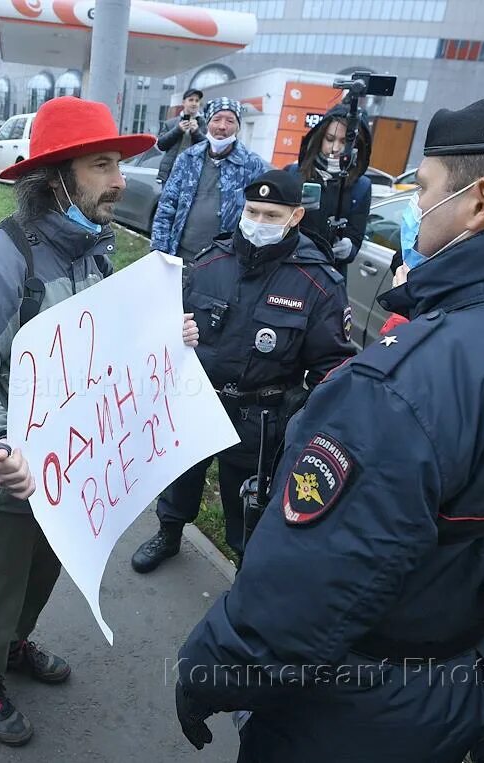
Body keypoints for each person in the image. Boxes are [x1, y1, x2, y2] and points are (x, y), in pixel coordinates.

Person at [173, 90, 484, 762]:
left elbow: (303, 595)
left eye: (428, 188)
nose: (417, 203)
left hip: (351, 701)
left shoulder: (411, 380)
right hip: (464, 675)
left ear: (479, 199)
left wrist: (209, 671)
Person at [0, 96, 157, 747]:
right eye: (104, 164)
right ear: (56, 178)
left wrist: (164, 338)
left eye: (120, 164)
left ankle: (13, 646)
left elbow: (95, 351)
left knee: (38, 583)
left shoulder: (94, 251)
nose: (120, 180)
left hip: (63, 483)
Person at [131, 170, 353, 572]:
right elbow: (168, 320)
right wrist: (172, 331)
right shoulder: (209, 261)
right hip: (198, 400)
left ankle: (244, 564)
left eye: (271, 215)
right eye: (253, 211)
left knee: (246, 500)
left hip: (259, 416)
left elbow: (332, 367)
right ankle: (169, 531)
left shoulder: (317, 283)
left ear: (295, 216)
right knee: (180, 476)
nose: (259, 223)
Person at [152, 97, 270, 261]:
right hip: (182, 256)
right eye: (217, 119)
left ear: (238, 127)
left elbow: (262, 216)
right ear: (207, 123)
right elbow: (166, 207)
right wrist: (159, 251)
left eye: (230, 121)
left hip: (226, 261)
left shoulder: (252, 165)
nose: (222, 126)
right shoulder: (187, 158)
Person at [288, 103, 373, 271]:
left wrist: (348, 248)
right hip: (290, 266)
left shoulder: (361, 187)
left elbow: (356, 238)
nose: (335, 148)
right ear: (320, 137)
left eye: (344, 141)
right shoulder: (293, 173)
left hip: (329, 272)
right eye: (329, 139)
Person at [156, 87, 205, 186]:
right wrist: (177, 130)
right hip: (171, 173)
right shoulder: (170, 123)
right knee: (167, 201)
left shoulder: (205, 124)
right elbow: (161, 145)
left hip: (194, 174)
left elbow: (209, 148)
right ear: (183, 102)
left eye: (197, 100)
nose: (194, 103)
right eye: (191, 100)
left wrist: (196, 132)